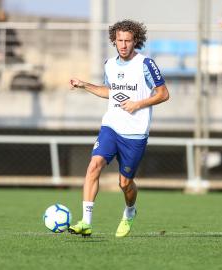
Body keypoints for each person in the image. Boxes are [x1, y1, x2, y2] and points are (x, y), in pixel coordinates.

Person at [68, 20, 169, 237]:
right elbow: (110, 92)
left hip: (135, 134)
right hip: (111, 126)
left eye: (127, 41)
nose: (123, 45)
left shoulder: (146, 64)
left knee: (125, 183)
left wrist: (137, 104)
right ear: (114, 40)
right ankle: (86, 222)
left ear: (135, 41)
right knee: (94, 165)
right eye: (119, 40)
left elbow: (163, 94)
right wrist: (84, 84)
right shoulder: (109, 65)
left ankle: (130, 211)